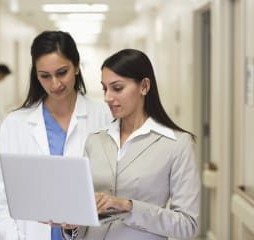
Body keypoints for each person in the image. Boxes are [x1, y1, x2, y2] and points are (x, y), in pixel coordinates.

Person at [0, 30, 112, 240]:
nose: (55, 84)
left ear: (77, 67)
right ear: (36, 75)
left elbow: (117, 184)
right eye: (45, 76)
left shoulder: (104, 116)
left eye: (62, 72)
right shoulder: (15, 124)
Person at [63, 49, 200, 240]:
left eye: (117, 88)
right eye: (105, 88)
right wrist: (72, 225)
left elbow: (187, 225)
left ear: (144, 86)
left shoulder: (177, 144)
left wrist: (128, 206)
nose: (107, 97)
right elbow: (86, 215)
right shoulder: (95, 140)